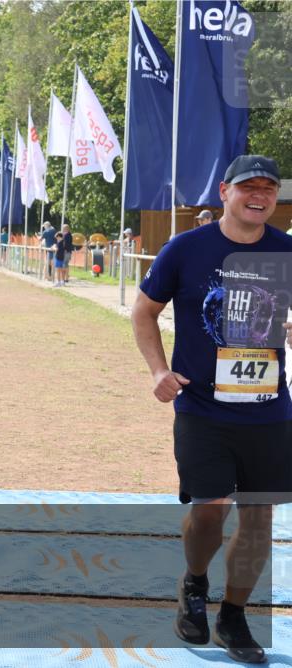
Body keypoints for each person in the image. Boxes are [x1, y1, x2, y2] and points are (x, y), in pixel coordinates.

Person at [131, 154, 292, 665]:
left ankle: (234, 615)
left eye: (268, 187)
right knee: (211, 509)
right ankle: (195, 584)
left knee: (260, 517)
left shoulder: (286, 251)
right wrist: (159, 371)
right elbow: (144, 311)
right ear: (224, 191)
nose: (259, 195)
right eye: (249, 187)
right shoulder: (186, 248)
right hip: (202, 408)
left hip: (269, 412)